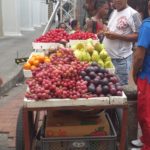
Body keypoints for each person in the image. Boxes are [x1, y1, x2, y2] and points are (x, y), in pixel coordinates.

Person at [103, 0, 141, 85]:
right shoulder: (114, 12)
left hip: (120, 61)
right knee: (109, 89)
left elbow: (139, 36)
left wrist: (117, 36)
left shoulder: (133, 14)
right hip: (108, 59)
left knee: (120, 90)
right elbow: (113, 29)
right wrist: (106, 31)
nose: (117, 1)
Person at [132, 0, 150, 149]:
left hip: (147, 76)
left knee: (146, 113)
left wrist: (134, 72)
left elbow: (139, 56)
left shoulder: (147, 25)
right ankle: (145, 138)